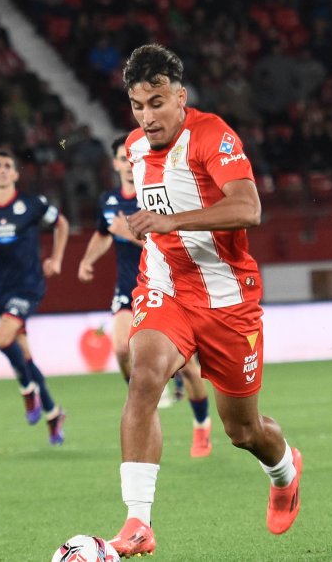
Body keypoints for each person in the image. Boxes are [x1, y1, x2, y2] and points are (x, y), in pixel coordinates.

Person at [108, 45, 301, 557]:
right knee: (143, 373)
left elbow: (248, 207)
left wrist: (171, 221)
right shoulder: (133, 149)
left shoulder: (213, 136)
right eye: (137, 105)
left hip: (228, 299)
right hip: (164, 288)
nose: (147, 117)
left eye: (156, 102)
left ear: (180, 96)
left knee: (243, 430)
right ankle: (137, 521)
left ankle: (284, 472)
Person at [77, 136, 213, 459]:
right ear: (115, 164)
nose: (127, 164)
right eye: (121, 159)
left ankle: (202, 426)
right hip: (129, 288)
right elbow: (102, 233)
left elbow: (173, 242)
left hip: (166, 285)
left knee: (190, 369)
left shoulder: (153, 196)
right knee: (121, 348)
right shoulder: (109, 201)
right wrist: (87, 259)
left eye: (131, 158)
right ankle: (143, 402)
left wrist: (132, 235)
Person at [0, 149, 70, 444]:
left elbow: (62, 223)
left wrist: (56, 259)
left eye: (9, 165)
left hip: (28, 286)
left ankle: (27, 391)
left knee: (2, 340)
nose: (3, 170)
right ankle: (53, 412)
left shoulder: (32, 204)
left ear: (16, 174)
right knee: (26, 356)